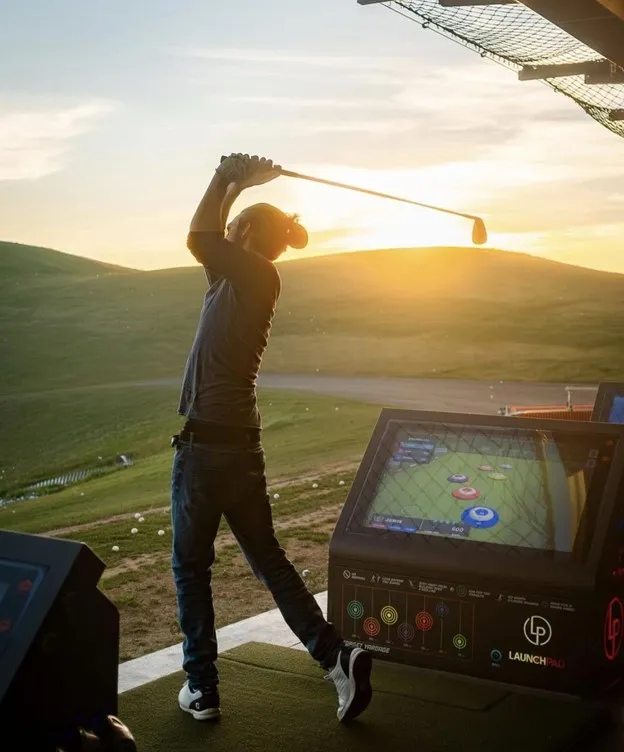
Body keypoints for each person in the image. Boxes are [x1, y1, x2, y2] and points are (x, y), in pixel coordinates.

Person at [170, 153, 373, 724]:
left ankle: (202, 688)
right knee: (269, 561)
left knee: (190, 569)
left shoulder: (256, 274)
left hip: (207, 449)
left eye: (236, 228)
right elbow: (211, 236)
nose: (226, 231)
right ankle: (337, 659)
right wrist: (235, 184)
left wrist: (220, 179)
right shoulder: (236, 280)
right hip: (237, 448)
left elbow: (199, 236)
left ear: (249, 236)